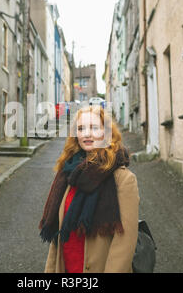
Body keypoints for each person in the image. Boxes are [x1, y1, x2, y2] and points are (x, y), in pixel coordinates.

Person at [39, 105, 140, 273]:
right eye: (81, 128)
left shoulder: (123, 179)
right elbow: (57, 236)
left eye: (94, 127)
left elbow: (125, 242)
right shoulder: (69, 174)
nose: (86, 134)